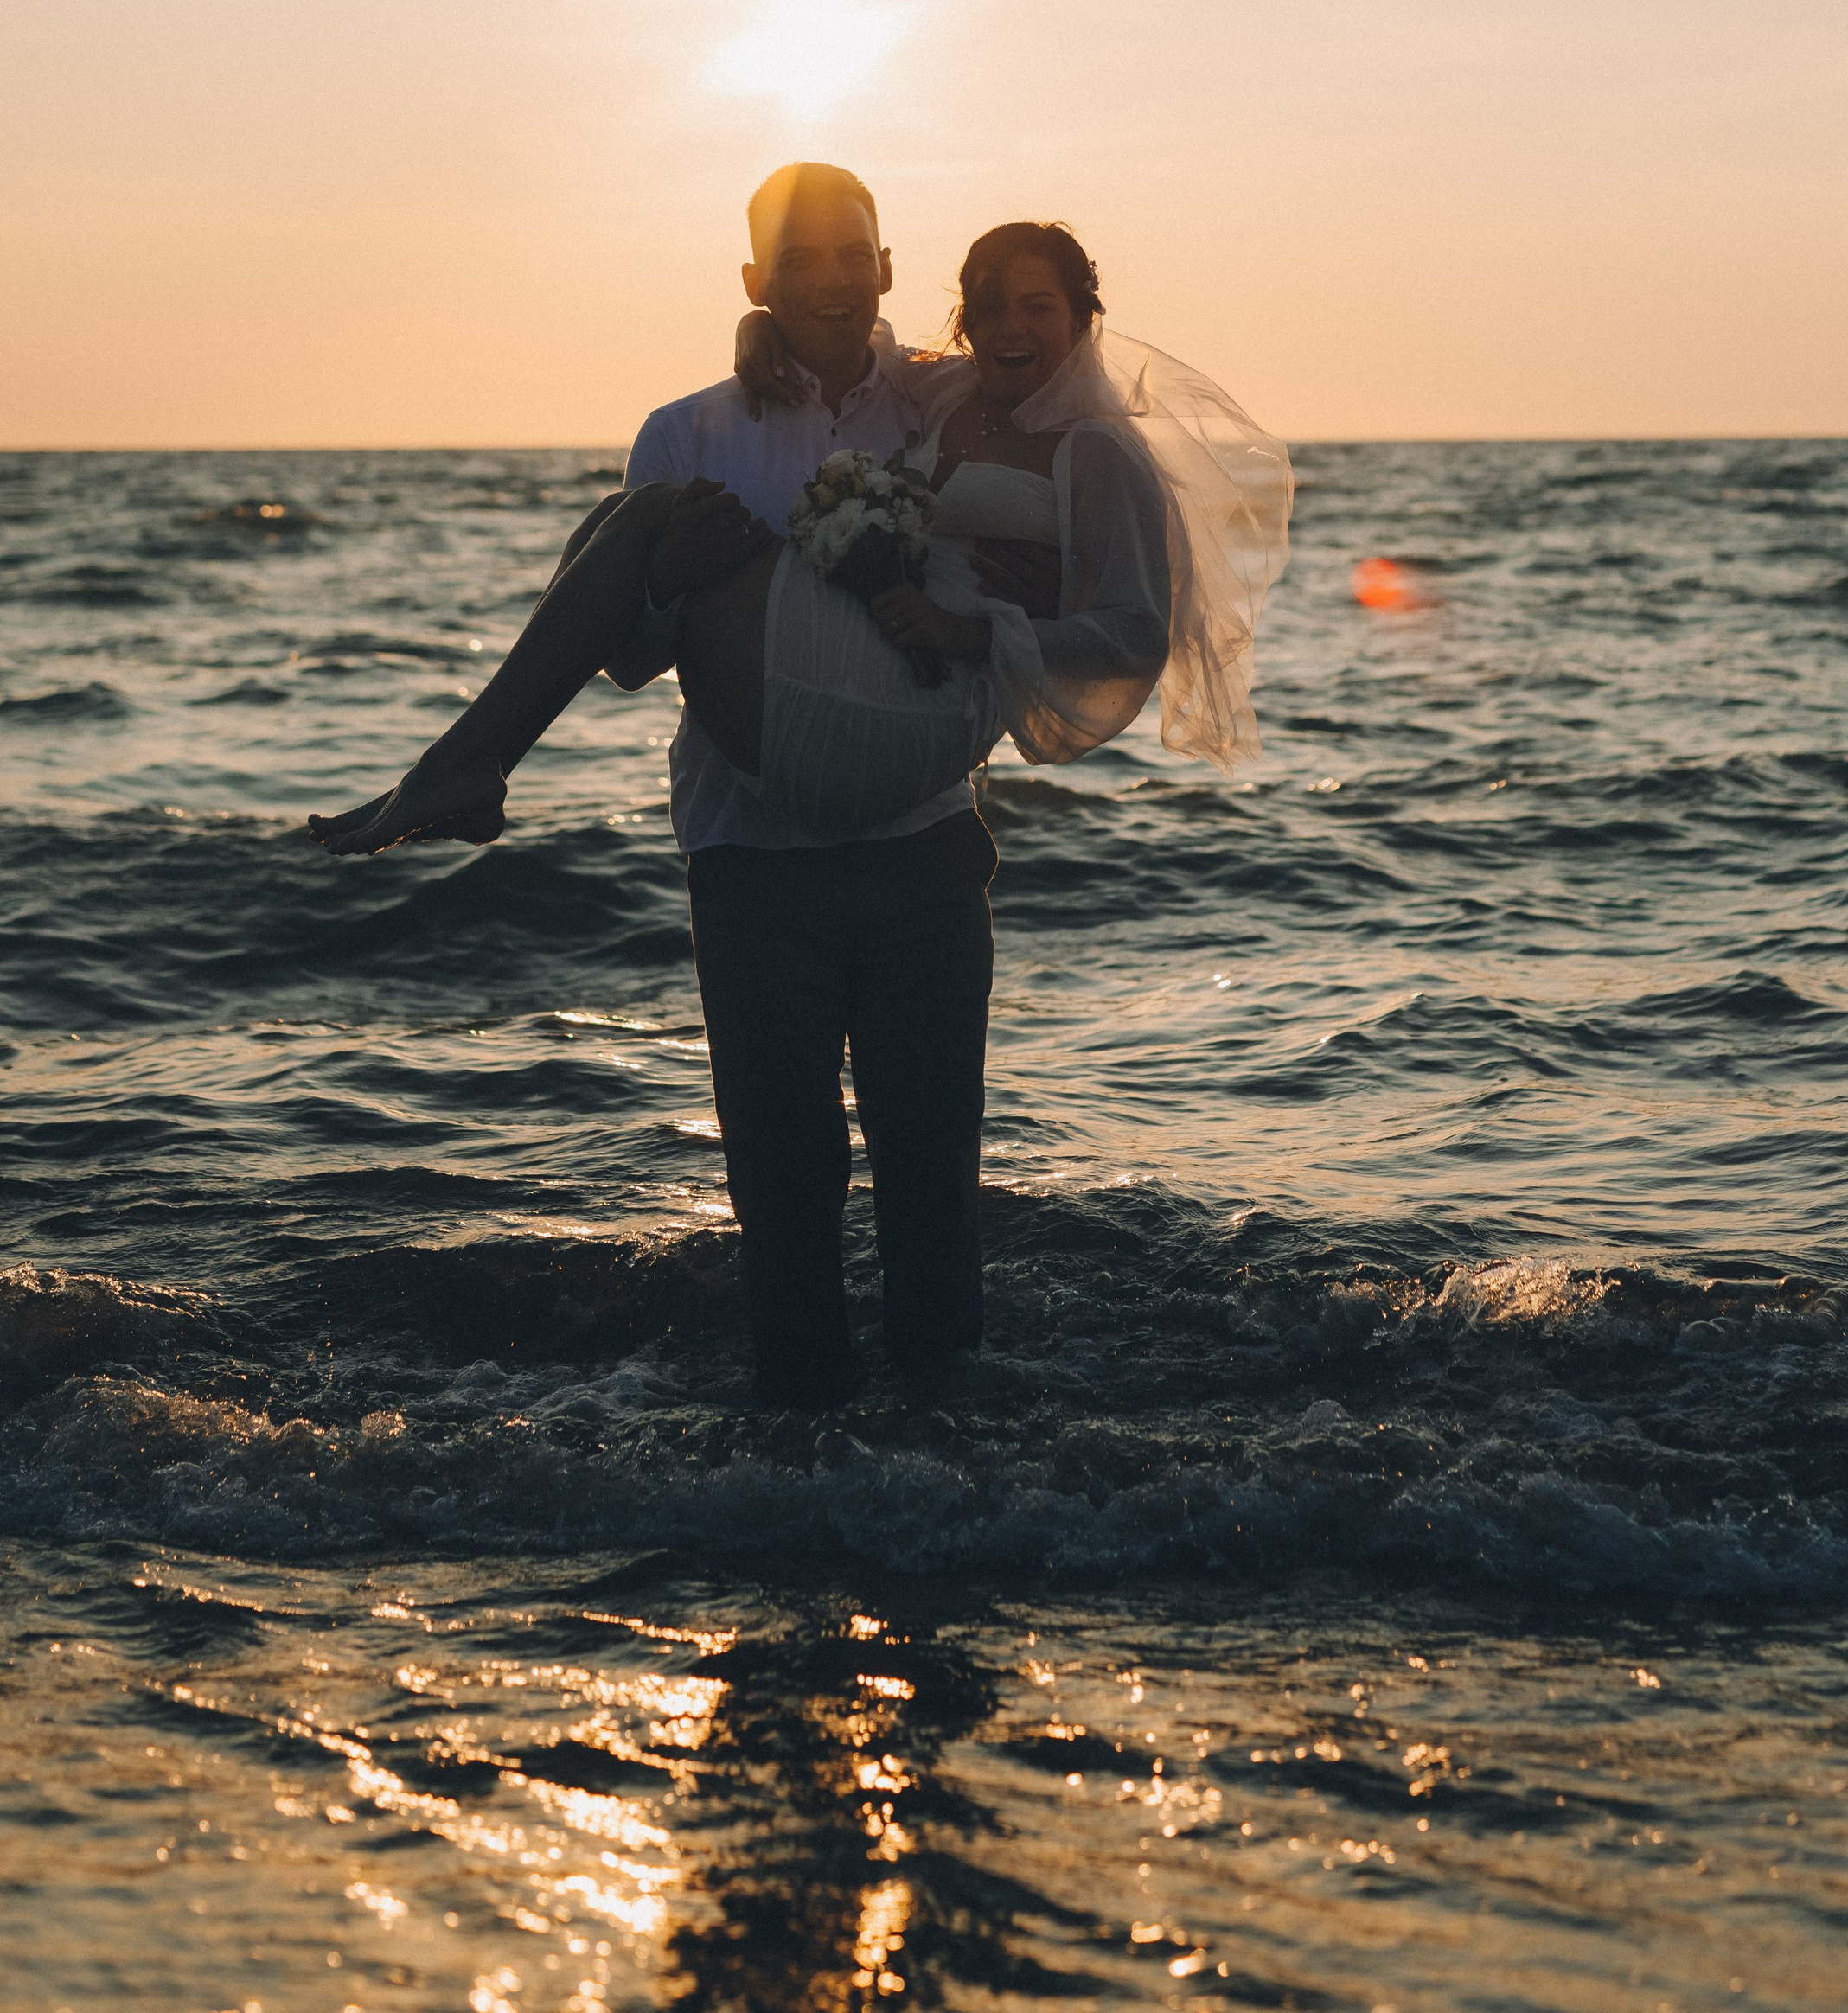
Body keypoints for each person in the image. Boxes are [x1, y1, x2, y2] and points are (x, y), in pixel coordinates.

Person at [309, 164, 1290, 1404]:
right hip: (751, 847)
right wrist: (684, 571)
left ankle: (955, 1466)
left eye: (852, 254)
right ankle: (795, 1457)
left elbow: (1060, 492)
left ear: (888, 271)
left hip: (921, 838)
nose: (828, 278)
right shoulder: (689, 428)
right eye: (799, 258)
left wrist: (1010, 603)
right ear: (754, 282)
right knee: (782, 1179)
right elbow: (628, 654)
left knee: (933, 1171)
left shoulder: (946, 397)